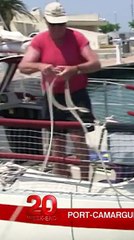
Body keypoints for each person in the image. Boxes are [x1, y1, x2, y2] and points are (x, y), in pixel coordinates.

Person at [18, 2, 101, 180]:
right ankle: (64, 180)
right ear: (47, 23)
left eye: (61, 24)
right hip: (51, 97)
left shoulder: (77, 37)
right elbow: (24, 66)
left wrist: (75, 69)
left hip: (76, 96)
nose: (57, 28)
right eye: (53, 24)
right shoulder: (39, 40)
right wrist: (41, 66)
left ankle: (86, 180)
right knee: (57, 142)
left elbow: (95, 63)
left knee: (78, 139)